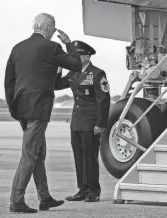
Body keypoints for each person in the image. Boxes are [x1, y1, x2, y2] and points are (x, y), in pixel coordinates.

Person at [4, 13, 82, 213]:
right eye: (53, 28)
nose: (54, 32)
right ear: (47, 27)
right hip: (38, 109)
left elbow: (9, 82)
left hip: (22, 108)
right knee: (30, 155)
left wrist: (14, 109)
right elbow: (76, 64)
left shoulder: (18, 48)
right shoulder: (51, 47)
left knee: (39, 153)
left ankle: (44, 197)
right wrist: (68, 44)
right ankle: (16, 200)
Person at [55, 40, 111, 202]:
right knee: (79, 157)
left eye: (76, 56)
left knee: (90, 157)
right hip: (77, 122)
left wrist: (101, 124)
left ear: (86, 57)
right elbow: (56, 85)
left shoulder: (97, 74)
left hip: (91, 122)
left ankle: (94, 191)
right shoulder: (73, 73)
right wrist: (59, 66)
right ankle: (83, 189)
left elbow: (103, 100)